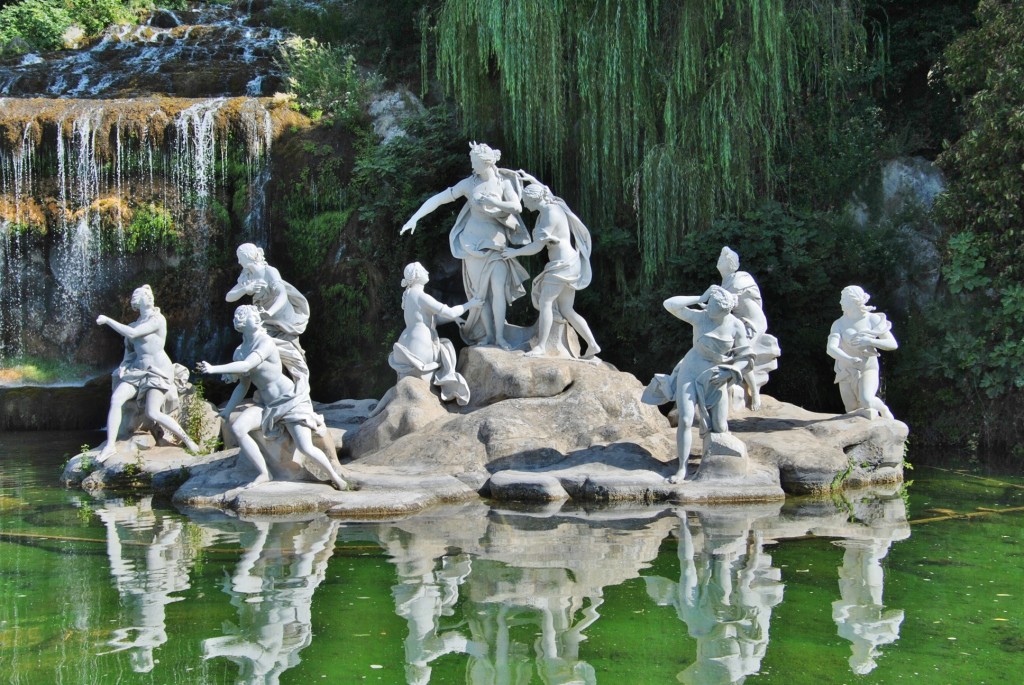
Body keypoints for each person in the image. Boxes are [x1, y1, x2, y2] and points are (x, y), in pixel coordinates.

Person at [197, 305, 348, 490]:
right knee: (238, 428)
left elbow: (247, 366)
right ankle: (264, 473)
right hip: (266, 404)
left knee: (305, 447)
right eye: (251, 315)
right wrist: (228, 410)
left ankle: (335, 477)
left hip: (290, 400)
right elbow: (243, 384)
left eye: (255, 315)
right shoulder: (240, 351)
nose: (256, 318)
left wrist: (213, 369)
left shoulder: (265, 342)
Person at [400, 142, 530, 350]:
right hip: (472, 246)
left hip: (497, 245)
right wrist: (415, 218)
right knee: (480, 295)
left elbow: (516, 207)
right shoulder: (469, 184)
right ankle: (488, 336)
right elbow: (440, 199)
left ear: (486, 162)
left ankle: (500, 336)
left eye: (474, 161)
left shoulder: (503, 182)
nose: (472, 165)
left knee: (498, 290)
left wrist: (494, 203)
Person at [642, 286, 758, 483]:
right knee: (686, 419)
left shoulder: (735, 325)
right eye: (709, 305)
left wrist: (728, 372)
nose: (708, 309)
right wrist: (700, 297)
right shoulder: (700, 317)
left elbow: (746, 358)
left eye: (713, 308)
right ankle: (682, 468)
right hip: (690, 371)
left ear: (725, 310)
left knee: (719, 427)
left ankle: (712, 457)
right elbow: (669, 304)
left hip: (715, 377)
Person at [96, 284, 200, 461]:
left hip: (157, 371)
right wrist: (123, 367)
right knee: (116, 399)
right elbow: (129, 352)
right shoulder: (133, 324)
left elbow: (133, 333)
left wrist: (107, 320)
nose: (150, 297)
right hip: (137, 371)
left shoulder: (158, 319)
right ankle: (110, 446)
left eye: (150, 295)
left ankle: (187, 440)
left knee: (153, 412)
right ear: (137, 302)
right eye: (145, 295)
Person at [501, 178, 601, 359]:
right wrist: (530, 179)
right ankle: (593, 344)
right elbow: (546, 191)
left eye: (526, 200)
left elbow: (536, 247)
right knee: (566, 309)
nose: (524, 205)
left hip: (562, 265)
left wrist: (513, 252)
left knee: (545, 302)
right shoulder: (552, 205)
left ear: (534, 199)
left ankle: (541, 347)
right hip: (570, 262)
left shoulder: (549, 213)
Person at [373, 263, 483, 416]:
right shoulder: (421, 296)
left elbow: (429, 319)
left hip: (404, 344)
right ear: (417, 275)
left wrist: (455, 319)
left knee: (404, 384)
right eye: (423, 270)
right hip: (420, 347)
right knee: (446, 346)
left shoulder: (409, 294)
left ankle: (379, 408)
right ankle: (447, 386)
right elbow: (449, 312)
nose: (427, 271)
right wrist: (471, 304)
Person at [226, 243, 311, 395]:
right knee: (268, 352)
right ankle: (279, 393)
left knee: (293, 353)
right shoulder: (246, 276)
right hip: (264, 320)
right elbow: (229, 297)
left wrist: (270, 312)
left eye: (240, 258)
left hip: (283, 319)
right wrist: (246, 289)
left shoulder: (269, 271)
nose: (238, 261)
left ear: (248, 256)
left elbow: (282, 294)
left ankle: (301, 390)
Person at [702, 246, 780, 398]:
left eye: (722, 258)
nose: (719, 260)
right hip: (740, 324)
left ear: (730, 263)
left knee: (742, 353)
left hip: (754, 322)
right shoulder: (724, 284)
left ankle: (754, 392)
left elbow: (731, 301)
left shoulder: (740, 278)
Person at [826, 286, 898, 420]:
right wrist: (848, 359)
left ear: (854, 300)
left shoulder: (872, 319)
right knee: (851, 408)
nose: (840, 302)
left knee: (867, 400)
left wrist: (870, 341)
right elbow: (831, 348)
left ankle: (883, 409)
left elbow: (892, 344)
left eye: (843, 299)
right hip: (846, 370)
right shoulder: (838, 324)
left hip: (867, 369)